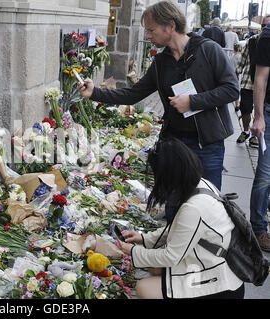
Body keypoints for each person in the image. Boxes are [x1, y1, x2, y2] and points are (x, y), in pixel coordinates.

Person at [77, 0, 239, 192]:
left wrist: (192, 102)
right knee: (172, 202)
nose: (147, 36)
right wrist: (94, 92)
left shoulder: (208, 49)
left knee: (208, 200)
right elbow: (133, 94)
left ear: (170, 26)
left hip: (207, 145)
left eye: (151, 30)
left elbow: (231, 89)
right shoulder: (161, 62)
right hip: (173, 145)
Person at [115, 137, 244, 299]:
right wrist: (144, 239)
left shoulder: (194, 207)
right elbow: (182, 229)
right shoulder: (202, 184)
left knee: (144, 288)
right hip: (215, 265)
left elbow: (170, 257)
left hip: (221, 284)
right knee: (154, 268)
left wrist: (133, 252)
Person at [249, 15, 270, 252]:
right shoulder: (268, 36)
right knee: (265, 174)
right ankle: (258, 228)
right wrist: (259, 115)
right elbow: (260, 78)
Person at [235, 34, 259, 147]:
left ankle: (255, 135)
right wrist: (237, 71)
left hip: (264, 86)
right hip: (248, 82)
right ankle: (246, 131)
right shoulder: (252, 40)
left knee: (260, 112)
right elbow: (243, 59)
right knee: (245, 109)